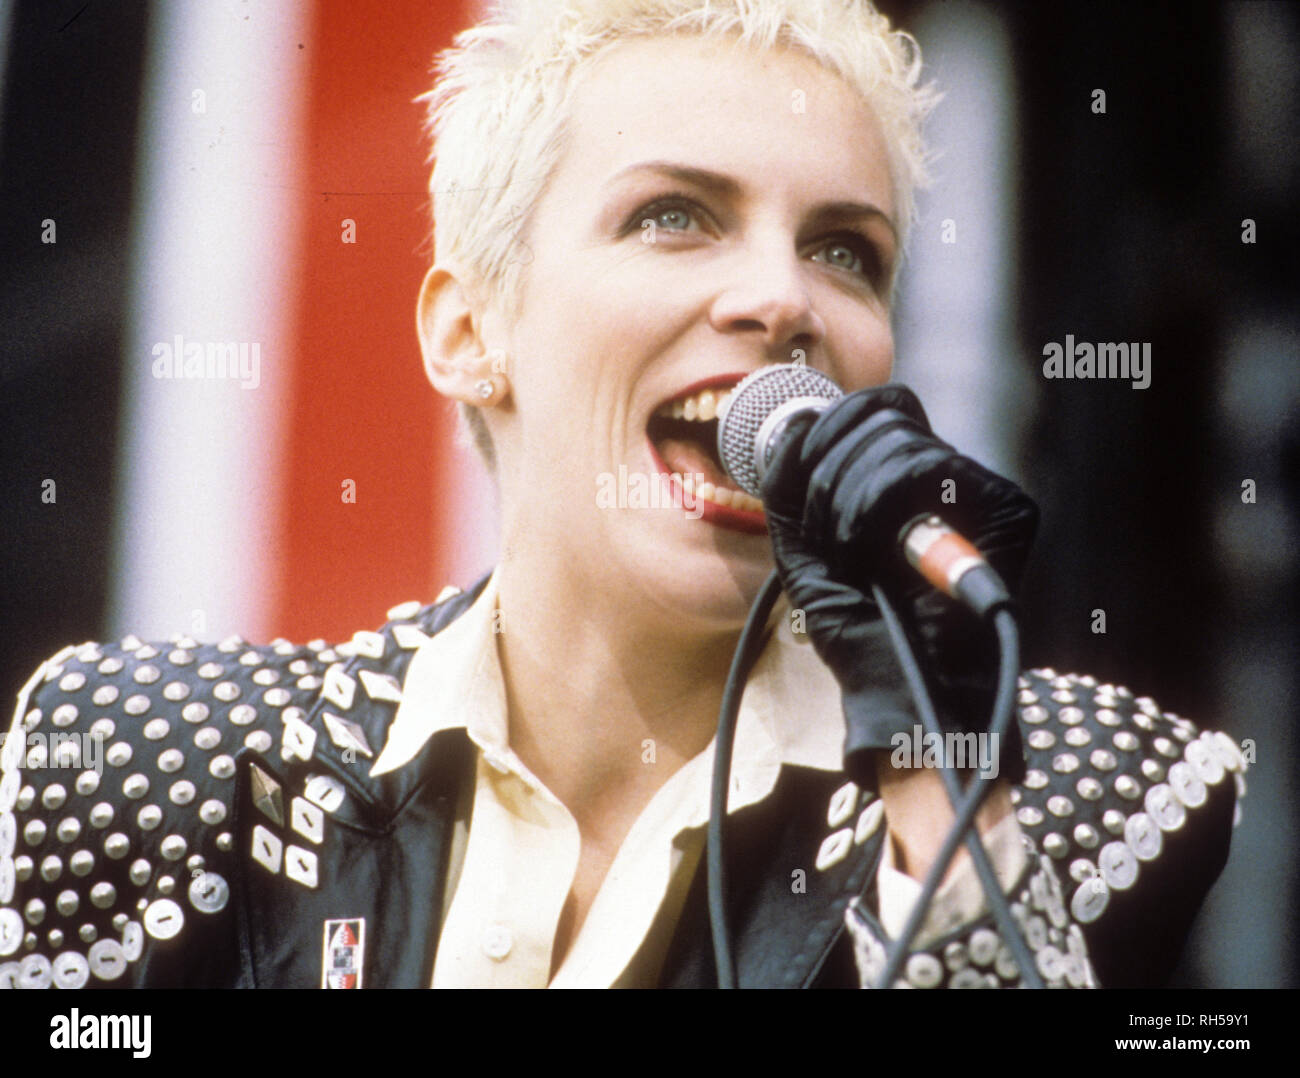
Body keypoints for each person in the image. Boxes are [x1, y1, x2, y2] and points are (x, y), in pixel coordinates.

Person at [0, 0, 1241, 990]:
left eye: (843, 250)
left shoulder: (1072, 786)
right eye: (674, 215)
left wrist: (938, 775)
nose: (783, 299)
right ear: (470, 332)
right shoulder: (150, 761)